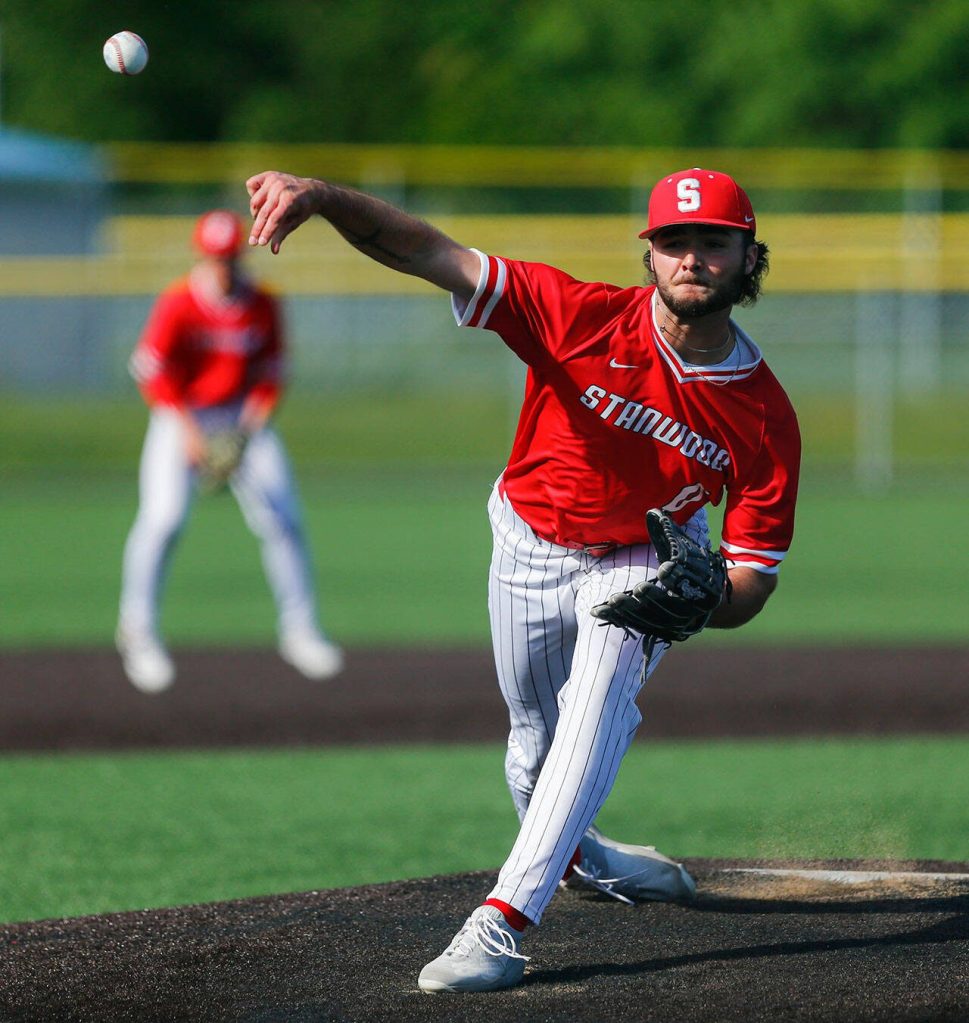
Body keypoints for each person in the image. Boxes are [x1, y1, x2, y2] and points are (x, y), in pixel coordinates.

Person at [246, 167, 800, 992]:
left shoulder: (763, 415)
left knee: (598, 698)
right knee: (535, 752)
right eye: (672, 242)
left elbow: (752, 578)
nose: (691, 259)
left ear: (746, 256)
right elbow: (426, 251)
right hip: (529, 541)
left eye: (712, 243)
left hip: (643, 554)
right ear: (647, 254)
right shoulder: (574, 313)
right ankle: (585, 854)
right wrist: (324, 198)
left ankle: (500, 923)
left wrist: (707, 599)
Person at [116, 209, 343, 694]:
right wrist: (190, 434)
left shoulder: (262, 303)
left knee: (283, 518)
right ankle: (136, 631)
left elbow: (273, 374)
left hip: (242, 418)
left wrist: (245, 433)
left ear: (239, 254)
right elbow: (150, 371)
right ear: (203, 255)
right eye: (214, 257)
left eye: (229, 257)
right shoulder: (178, 302)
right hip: (182, 416)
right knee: (163, 519)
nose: (222, 266)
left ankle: (300, 631)